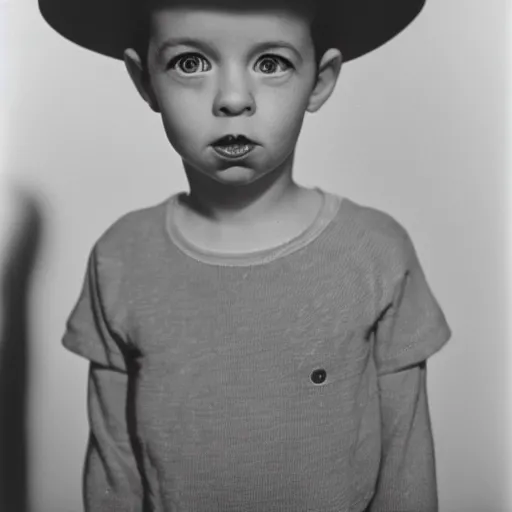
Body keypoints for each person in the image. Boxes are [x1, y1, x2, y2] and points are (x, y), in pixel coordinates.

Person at [39, 0, 452, 509]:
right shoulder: (120, 258)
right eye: (190, 63)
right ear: (145, 81)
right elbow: (113, 472)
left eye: (271, 63)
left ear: (319, 80)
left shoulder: (377, 252)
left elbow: (407, 468)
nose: (233, 99)